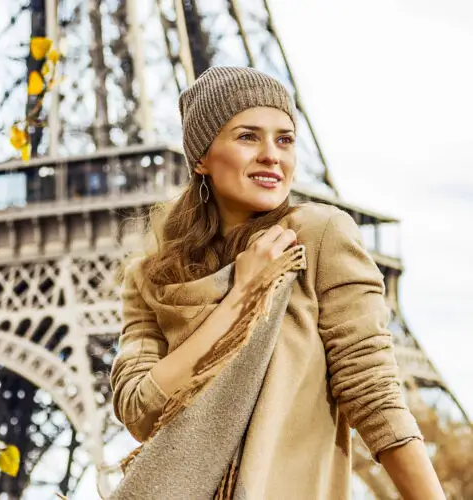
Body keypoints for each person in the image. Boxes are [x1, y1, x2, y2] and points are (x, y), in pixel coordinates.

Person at [109, 67, 445, 499]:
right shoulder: (150, 277)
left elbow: (372, 391)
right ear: (202, 157)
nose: (272, 155)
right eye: (248, 136)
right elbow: (139, 409)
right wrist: (241, 298)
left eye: (284, 139)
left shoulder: (320, 234)